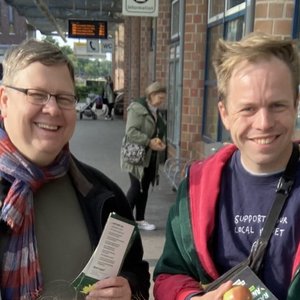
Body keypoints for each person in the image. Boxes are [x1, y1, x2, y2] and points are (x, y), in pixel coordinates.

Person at [153, 32, 300, 300]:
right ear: (225, 114)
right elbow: (170, 274)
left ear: (296, 104)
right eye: (248, 109)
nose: (264, 123)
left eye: (277, 105)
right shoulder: (196, 188)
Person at [0, 39, 150, 300]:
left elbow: (136, 275)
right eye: (36, 94)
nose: (53, 109)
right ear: (4, 100)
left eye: (64, 98)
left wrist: (128, 289)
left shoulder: (105, 195)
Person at [121, 82, 167, 231]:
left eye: (163, 98)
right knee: (136, 187)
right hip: (136, 155)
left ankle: (139, 219)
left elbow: (156, 132)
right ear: (151, 95)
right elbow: (131, 132)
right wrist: (149, 142)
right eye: (159, 98)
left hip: (149, 157)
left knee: (144, 188)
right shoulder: (137, 109)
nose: (161, 101)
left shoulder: (155, 111)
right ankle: (122, 221)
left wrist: (159, 143)